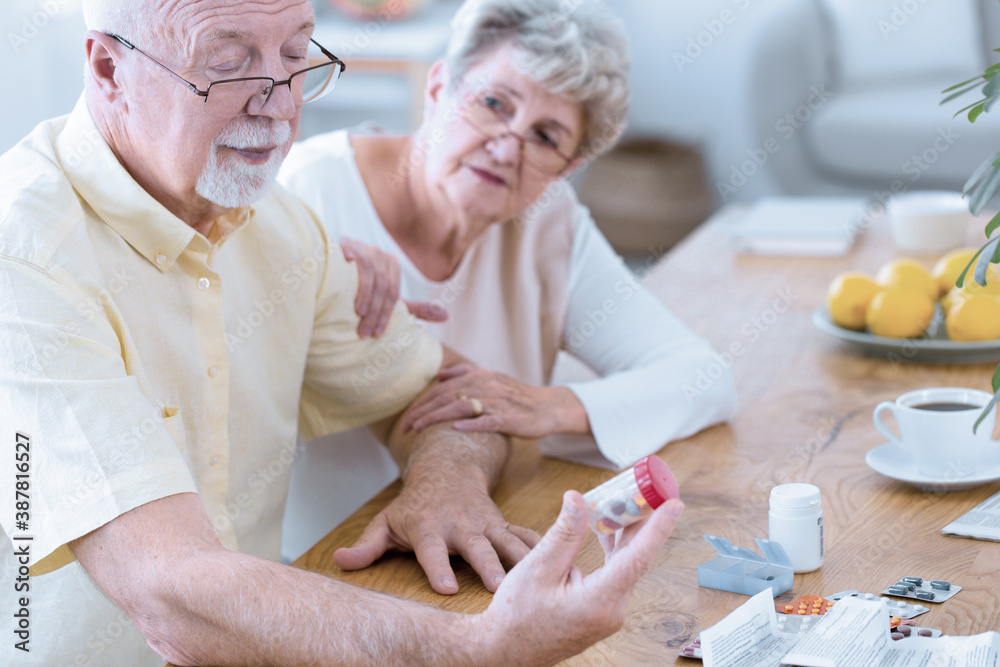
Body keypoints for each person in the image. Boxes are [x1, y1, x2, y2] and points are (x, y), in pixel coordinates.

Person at [0, 0, 685, 665]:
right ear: (110, 69)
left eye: (295, 55)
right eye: (229, 64)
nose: (279, 103)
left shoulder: (281, 227)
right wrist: (478, 647)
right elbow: (170, 593)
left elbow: (453, 396)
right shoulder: (24, 255)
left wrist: (443, 481)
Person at [277, 0, 737, 560]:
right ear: (438, 87)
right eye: (493, 103)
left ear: (566, 168)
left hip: (487, 531)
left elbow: (703, 378)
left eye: (545, 136)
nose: (505, 148)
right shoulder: (309, 191)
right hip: (322, 558)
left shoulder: (547, 222)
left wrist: (554, 405)